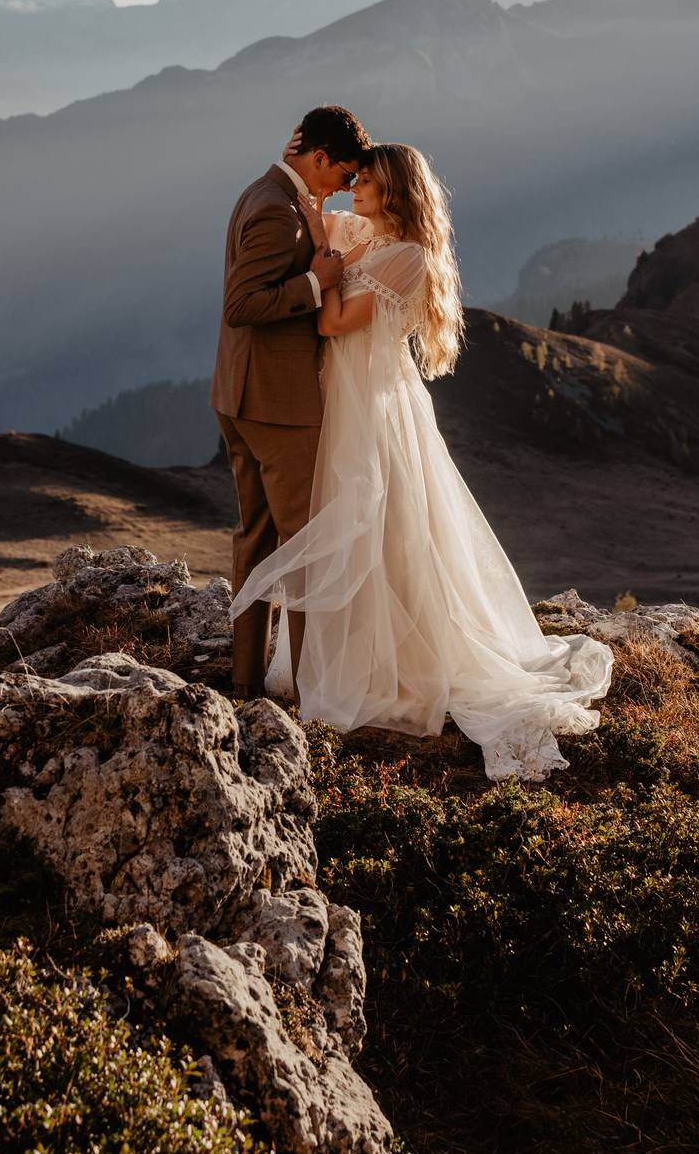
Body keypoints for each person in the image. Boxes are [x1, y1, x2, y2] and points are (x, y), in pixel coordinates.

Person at [231, 138, 613, 780]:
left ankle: (396, 661)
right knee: (346, 519)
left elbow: (334, 324)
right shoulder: (361, 231)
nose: (355, 187)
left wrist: (325, 274)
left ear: (395, 191)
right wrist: (304, 175)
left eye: (368, 182)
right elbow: (312, 215)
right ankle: (344, 652)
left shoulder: (408, 257)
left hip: (374, 404)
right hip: (340, 399)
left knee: (383, 523)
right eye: (355, 178)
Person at [211, 103, 372, 700]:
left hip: (238, 392)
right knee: (305, 543)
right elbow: (243, 304)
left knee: (255, 537)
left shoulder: (268, 193)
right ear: (321, 158)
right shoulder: (278, 211)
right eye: (346, 174)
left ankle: (246, 677)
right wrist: (317, 284)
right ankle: (310, 689)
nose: (347, 188)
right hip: (277, 405)